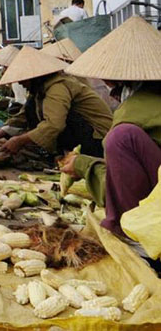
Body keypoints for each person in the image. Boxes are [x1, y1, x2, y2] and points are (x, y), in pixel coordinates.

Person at [61, 16, 161, 237]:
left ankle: (131, 234)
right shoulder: (148, 97)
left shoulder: (132, 112)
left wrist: (82, 166)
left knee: (121, 138)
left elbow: (117, 186)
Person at [0, 46, 113, 158]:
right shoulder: (39, 90)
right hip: (87, 135)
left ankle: (70, 155)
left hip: (99, 139)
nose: (21, 83)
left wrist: (19, 140)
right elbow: (22, 117)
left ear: (35, 77)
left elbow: (54, 125)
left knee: (56, 119)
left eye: (23, 79)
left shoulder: (58, 87)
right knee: (30, 107)